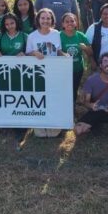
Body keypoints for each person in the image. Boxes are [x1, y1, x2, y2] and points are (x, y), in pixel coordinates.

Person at [26, 8, 63, 138]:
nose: (45, 21)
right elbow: (27, 53)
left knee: (53, 98)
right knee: (39, 98)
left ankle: (54, 124)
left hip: (53, 72)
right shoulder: (32, 36)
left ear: (52, 20)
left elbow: (58, 51)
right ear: (38, 19)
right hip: (37, 73)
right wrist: (34, 53)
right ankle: (39, 124)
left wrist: (65, 55)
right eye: (43, 18)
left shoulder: (57, 34)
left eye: (48, 18)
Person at [59, 12, 92, 94]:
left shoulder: (81, 36)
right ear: (63, 24)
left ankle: (73, 105)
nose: (70, 23)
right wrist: (61, 53)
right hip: (62, 69)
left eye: (72, 21)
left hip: (77, 69)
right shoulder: (58, 35)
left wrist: (85, 48)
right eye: (67, 21)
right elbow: (54, 51)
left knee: (74, 90)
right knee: (63, 90)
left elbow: (91, 52)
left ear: (76, 23)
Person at [85, 4, 108, 70]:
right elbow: (87, 46)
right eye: (105, 14)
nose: (107, 16)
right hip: (98, 64)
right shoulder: (93, 28)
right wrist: (92, 61)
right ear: (101, 15)